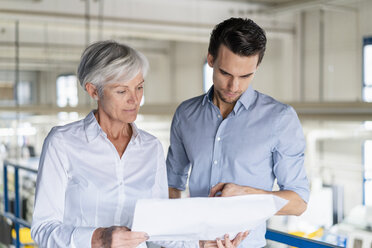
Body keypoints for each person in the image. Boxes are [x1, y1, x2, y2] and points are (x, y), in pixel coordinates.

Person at [31, 40, 246, 248]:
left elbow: (158, 226)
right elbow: (43, 229)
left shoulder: (150, 147)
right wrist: (98, 239)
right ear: (94, 91)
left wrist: (202, 244)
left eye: (139, 87)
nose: (135, 100)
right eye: (122, 91)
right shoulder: (62, 143)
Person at [167, 18, 310, 248]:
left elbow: (299, 202)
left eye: (245, 76)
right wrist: (181, 238)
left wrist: (247, 195)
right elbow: (171, 186)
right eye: (226, 73)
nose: (234, 86)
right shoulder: (186, 114)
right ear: (211, 60)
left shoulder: (280, 119)